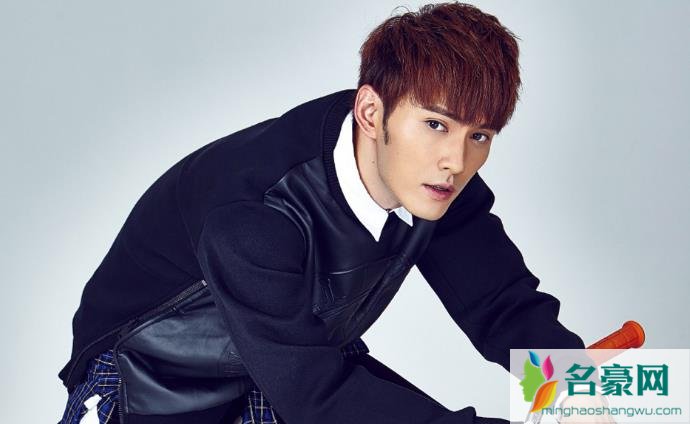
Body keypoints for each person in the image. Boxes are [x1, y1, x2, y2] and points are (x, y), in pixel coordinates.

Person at [58, 2, 587, 423]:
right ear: (371, 111)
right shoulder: (256, 212)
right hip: (149, 378)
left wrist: (583, 392)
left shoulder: (439, 183)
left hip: (288, 361)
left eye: (480, 136)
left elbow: (501, 307)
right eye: (435, 124)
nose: (456, 160)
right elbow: (315, 396)